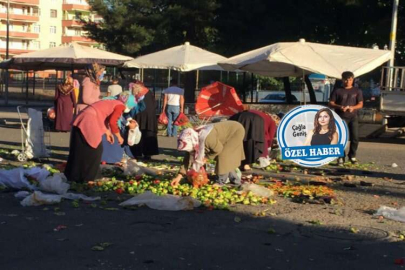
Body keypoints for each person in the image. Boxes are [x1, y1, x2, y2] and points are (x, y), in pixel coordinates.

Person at [64, 95, 137, 183]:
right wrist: (119, 137)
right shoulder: (120, 105)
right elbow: (113, 122)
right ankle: (89, 177)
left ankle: (73, 175)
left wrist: (107, 133)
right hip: (89, 119)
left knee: (80, 148)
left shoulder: (111, 101)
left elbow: (103, 117)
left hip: (84, 116)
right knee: (95, 149)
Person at [171, 121, 245, 186]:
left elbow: (218, 149)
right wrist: (179, 176)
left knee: (223, 156)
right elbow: (187, 159)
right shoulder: (194, 139)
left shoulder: (206, 139)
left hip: (235, 131)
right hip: (226, 132)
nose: (192, 151)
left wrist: (206, 158)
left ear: (193, 143)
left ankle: (221, 182)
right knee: (225, 159)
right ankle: (236, 181)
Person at [329, 71, 363, 165]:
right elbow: (331, 103)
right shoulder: (337, 90)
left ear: (353, 80)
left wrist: (353, 107)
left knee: (355, 137)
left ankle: (352, 156)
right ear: (342, 80)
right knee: (341, 138)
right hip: (341, 117)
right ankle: (341, 157)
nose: (348, 81)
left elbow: (360, 104)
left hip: (353, 117)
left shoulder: (357, 90)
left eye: (350, 79)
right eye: (346, 79)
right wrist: (340, 107)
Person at [100, 91, 144, 164]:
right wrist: (126, 126)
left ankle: (111, 158)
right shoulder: (118, 104)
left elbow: (121, 116)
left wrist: (129, 119)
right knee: (114, 140)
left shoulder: (115, 100)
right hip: (105, 125)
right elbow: (115, 120)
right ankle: (112, 158)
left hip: (105, 124)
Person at [126, 80, 159, 160]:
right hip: (150, 117)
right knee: (148, 133)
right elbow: (154, 104)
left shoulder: (135, 93)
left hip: (139, 115)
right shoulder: (149, 92)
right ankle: (148, 153)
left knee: (138, 133)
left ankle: (137, 153)